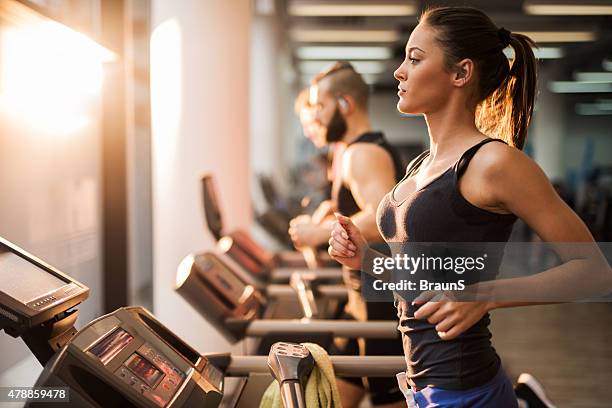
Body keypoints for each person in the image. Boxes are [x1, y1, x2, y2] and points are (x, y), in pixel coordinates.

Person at [327, 6, 611, 408]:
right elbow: (427, 283)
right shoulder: (419, 167)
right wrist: (367, 260)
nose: (399, 72)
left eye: (415, 58)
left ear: (461, 73)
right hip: (423, 389)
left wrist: (484, 294)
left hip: (466, 392)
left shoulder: (494, 163)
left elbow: (595, 273)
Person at [289, 62, 408, 408]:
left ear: (345, 104)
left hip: (380, 304)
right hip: (360, 302)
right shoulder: (354, 151)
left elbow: (384, 219)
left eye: (321, 106)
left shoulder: (362, 154)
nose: (317, 116)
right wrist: (333, 208)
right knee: (332, 398)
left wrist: (317, 232)